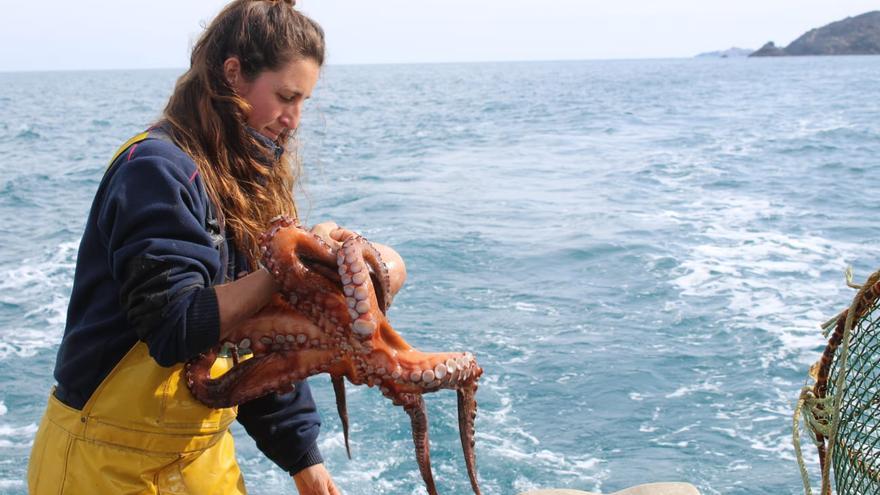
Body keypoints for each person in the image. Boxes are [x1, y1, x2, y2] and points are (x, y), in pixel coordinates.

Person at [27, 1, 405, 493]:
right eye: (285, 96)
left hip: (199, 461)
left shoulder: (246, 183)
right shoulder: (156, 170)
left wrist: (303, 459)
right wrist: (286, 267)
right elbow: (175, 326)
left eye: (304, 102)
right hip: (102, 462)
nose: (293, 119)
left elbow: (259, 344)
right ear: (233, 75)